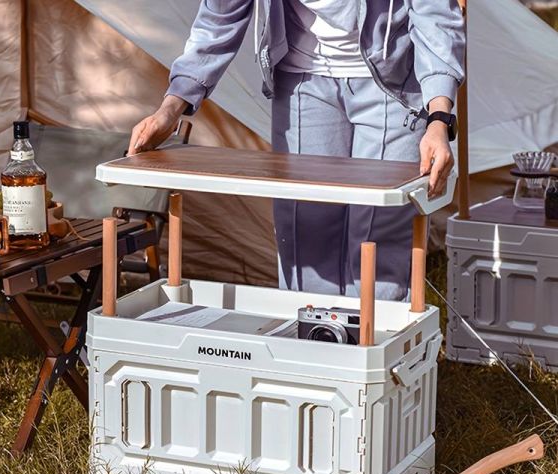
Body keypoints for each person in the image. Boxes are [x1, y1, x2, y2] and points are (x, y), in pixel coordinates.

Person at [127, 0, 465, 301]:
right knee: (307, 233)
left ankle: (373, 347)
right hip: (303, 83)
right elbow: (219, 17)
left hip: (393, 84)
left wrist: (438, 118)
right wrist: (171, 107)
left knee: (377, 237)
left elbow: (435, 13)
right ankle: (311, 346)